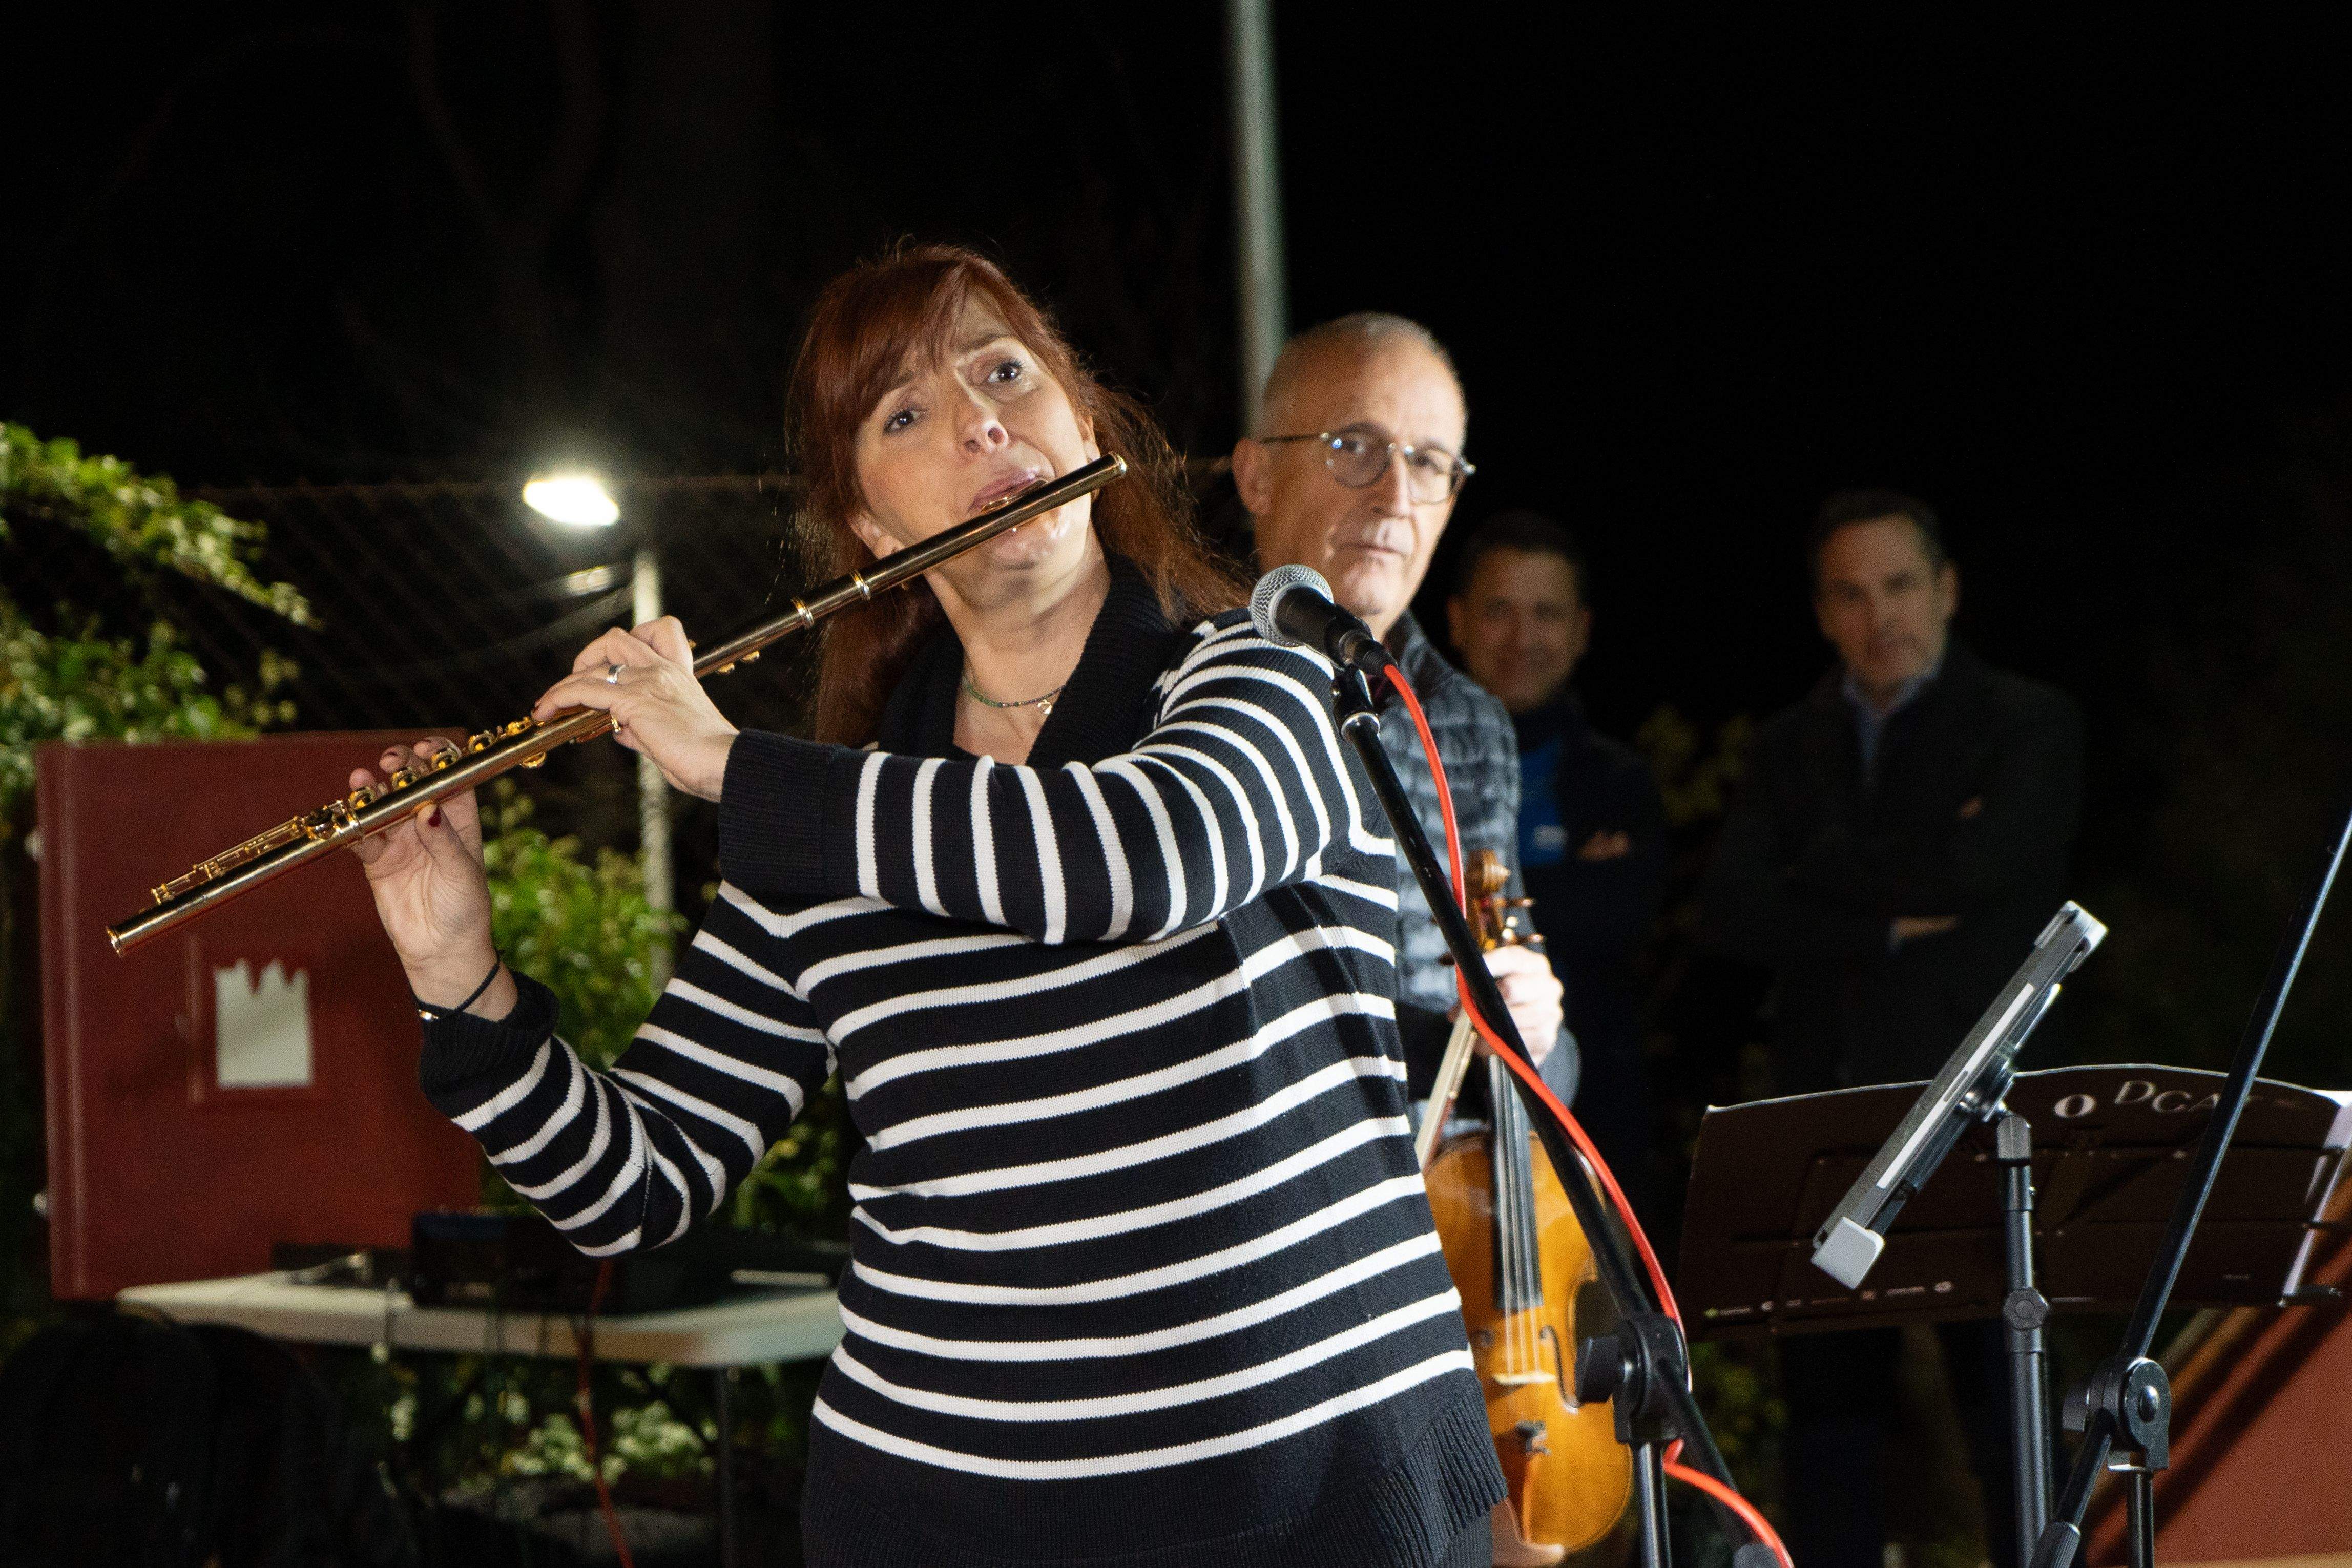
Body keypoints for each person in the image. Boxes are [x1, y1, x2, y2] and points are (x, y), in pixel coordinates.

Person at [353, 247, 1508, 1568]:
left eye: (1007, 374)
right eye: (904, 415)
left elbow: (1142, 857)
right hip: (939, 1514)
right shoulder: (830, 819)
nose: (979, 421)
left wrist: (729, 764)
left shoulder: (1261, 669)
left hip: (1320, 1504)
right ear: (871, 529)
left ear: (1086, 426)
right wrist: (459, 976)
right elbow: (639, 1183)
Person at [1698, 489, 2084, 1568]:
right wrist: (1895, 911)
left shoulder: (2028, 722)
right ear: (1822, 613)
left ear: (1948, 588)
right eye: (1850, 594)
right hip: (1830, 1116)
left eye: (1900, 585)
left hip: (1984, 1122)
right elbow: (1734, 909)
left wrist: (1820, 875)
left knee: (2011, 1420)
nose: (1880, 617)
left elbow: (1987, 873)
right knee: (1829, 1435)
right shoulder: (1785, 746)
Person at [1232, 315, 1570, 1113]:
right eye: (1353, 446)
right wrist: (1447, 1050)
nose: (1395, 496)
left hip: (1444, 1198)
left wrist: (1540, 1036)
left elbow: (1524, 1044)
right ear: (1256, 477)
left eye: (1428, 463)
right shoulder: (1189, 687)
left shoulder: (1470, 719)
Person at [1446, 512, 1665, 1216]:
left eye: (1546, 614)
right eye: (1499, 611)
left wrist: (1477, 904)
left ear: (1581, 630)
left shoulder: (1621, 779)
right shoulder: (1413, 760)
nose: (1522, 639)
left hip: (1598, 1118)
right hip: (1443, 1117)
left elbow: (1627, 916)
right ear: (1456, 621)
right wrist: (1567, 883)